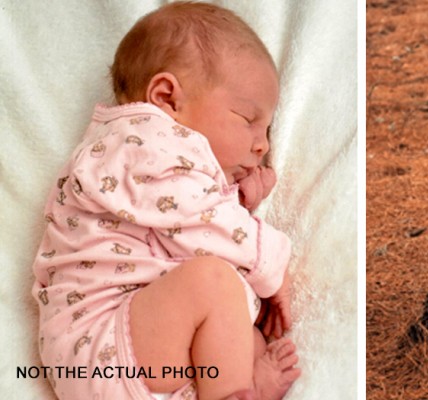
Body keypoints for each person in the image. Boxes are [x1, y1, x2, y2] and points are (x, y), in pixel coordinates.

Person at [31, 3, 302, 399]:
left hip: (138, 352)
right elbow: (202, 225)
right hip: (100, 346)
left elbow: (178, 229)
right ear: (167, 98)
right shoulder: (139, 140)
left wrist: (238, 202)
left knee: (245, 338)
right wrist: (272, 263)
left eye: (268, 129)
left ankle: (241, 388)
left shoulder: (157, 166)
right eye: (248, 119)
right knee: (213, 283)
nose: (262, 144)